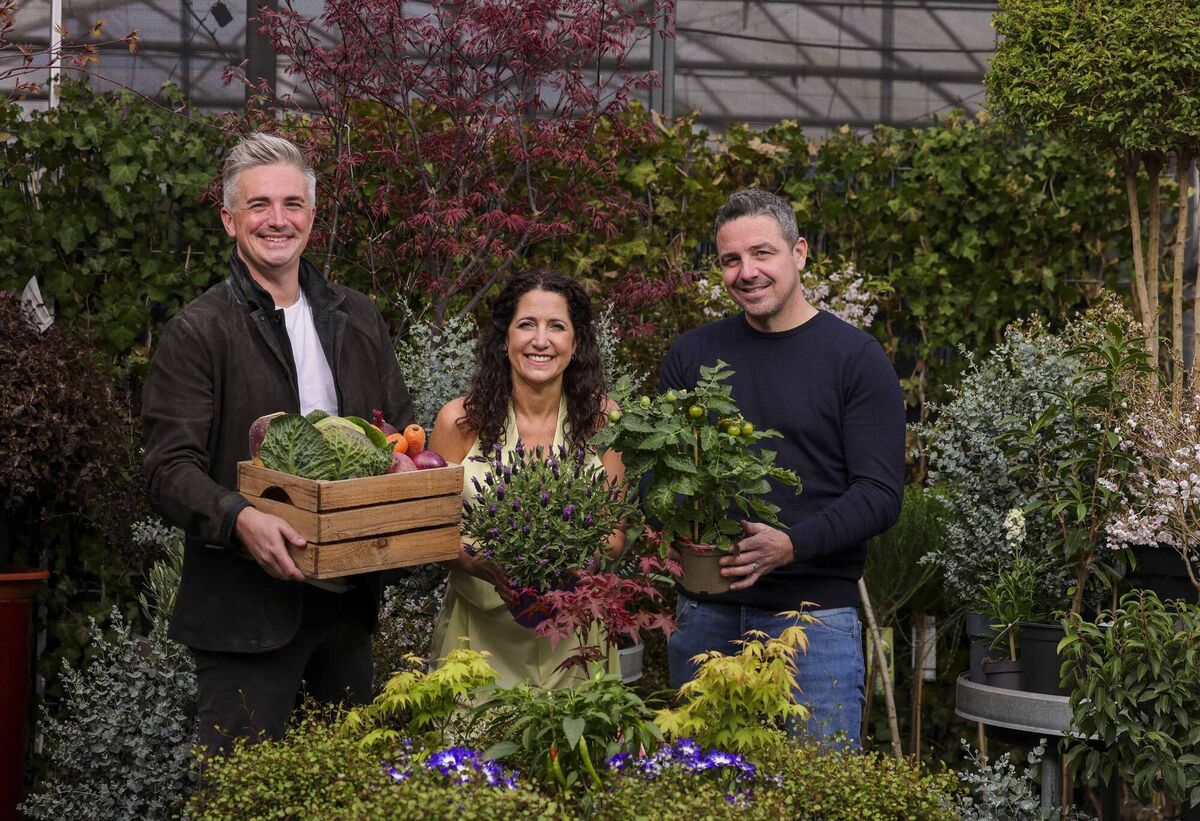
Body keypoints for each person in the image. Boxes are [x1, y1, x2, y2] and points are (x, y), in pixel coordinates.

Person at [141, 133, 413, 755]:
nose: (277, 219)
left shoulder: (358, 319)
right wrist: (240, 518)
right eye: (259, 204)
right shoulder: (200, 330)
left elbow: (397, 432)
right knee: (236, 793)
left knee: (346, 790)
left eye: (292, 203)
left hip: (347, 607)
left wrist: (403, 473)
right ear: (229, 220)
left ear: (312, 217)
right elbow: (167, 470)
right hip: (246, 618)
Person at [662, 189, 905, 748]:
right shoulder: (692, 357)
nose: (746, 272)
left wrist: (791, 545)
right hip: (706, 616)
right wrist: (676, 528)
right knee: (702, 784)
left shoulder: (855, 360)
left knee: (814, 785)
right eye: (730, 259)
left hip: (812, 623)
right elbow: (660, 475)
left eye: (762, 253)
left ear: (799, 253)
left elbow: (880, 493)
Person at [428, 270, 624, 688]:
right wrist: (476, 563)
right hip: (478, 641)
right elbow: (430, 532)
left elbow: (616, 531)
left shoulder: (605, 421)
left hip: (576, 641)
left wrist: (574, 560)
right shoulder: (459, 421)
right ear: (504, 338)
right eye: (526, 325)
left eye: (557, 326)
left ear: (576, 343)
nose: (540, 340)